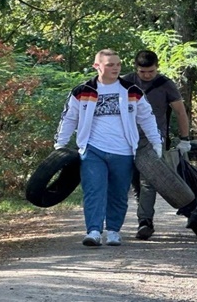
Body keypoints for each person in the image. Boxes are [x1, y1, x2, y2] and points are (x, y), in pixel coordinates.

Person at [54, 49, 163, 247]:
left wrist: (156, 142)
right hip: (92, 149)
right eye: (110, 64)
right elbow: (69, 118)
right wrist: (60, 144)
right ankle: (94, 231)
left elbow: (146, 117)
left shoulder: (132, 91)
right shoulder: (82, 91)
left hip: (123, 151)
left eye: (118, 64)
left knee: (118, 193)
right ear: (97, 66)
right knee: (94, 190)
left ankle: (113, 231)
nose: (115, 68)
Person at [122, 50, 192, 240]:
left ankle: (145, 221)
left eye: (151, 71)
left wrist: (184, 139)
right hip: (125, 139)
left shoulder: (166, 85)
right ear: (136, 68)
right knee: (134, 183)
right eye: (142, 72)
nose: (147, 75)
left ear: (157, 67)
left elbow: (180, 112)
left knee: (148, 182)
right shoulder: (125, 82)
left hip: (153, 139)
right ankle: (133, 218)